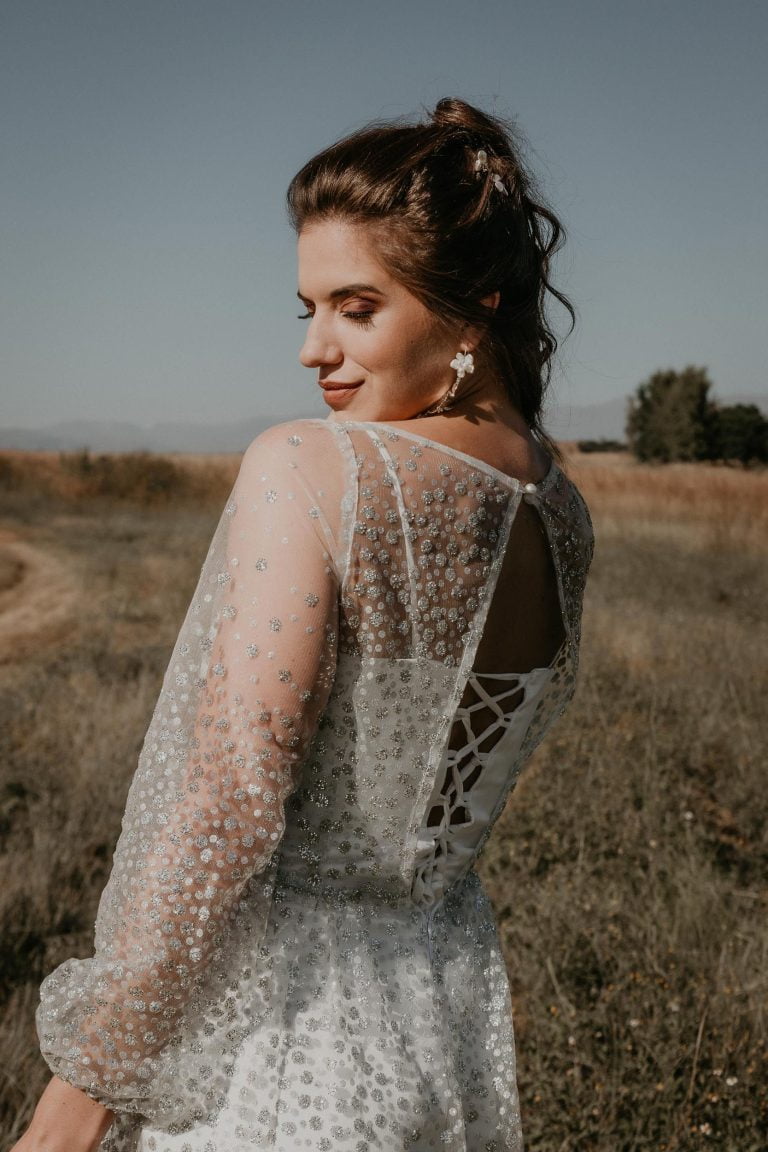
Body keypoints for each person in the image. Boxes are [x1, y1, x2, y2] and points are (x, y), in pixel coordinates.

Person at [16, 97, 594, 1152]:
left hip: (279, 1038)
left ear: (472, 309)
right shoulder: (560, 512)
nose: (313, 349)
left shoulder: (315, 467)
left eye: (356, 308)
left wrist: (87, 1087)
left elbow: (229, 801)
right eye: (308, 310)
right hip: (444, 1014)